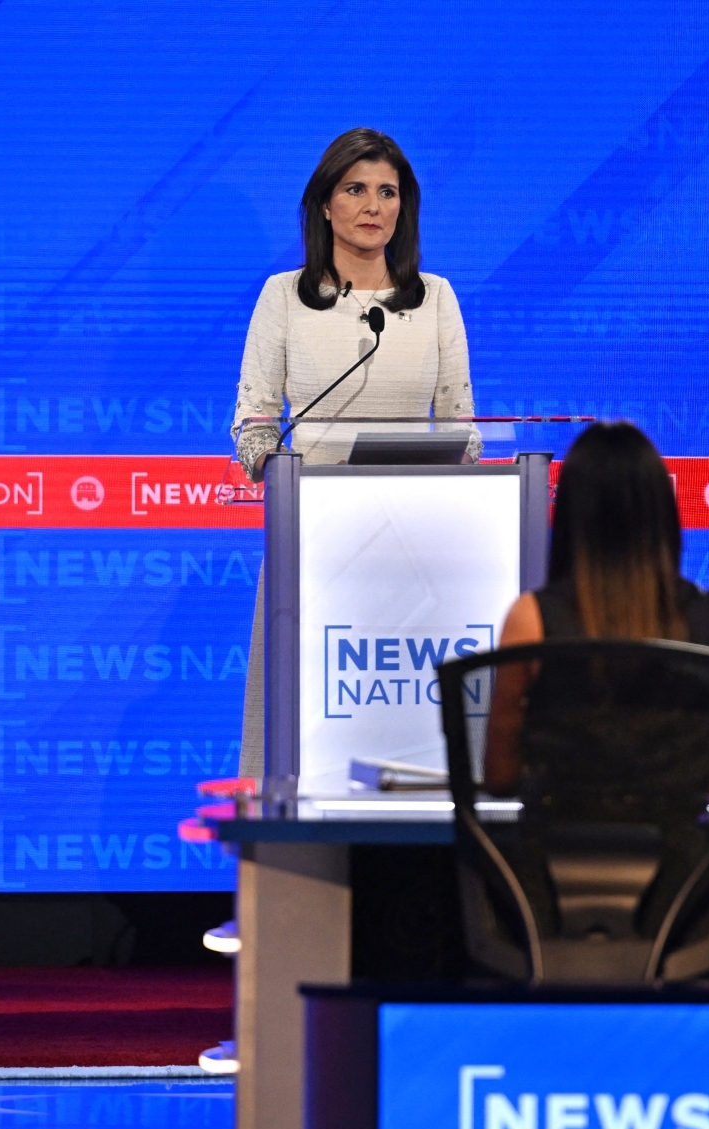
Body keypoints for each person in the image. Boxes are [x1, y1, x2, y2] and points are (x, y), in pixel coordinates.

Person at [234, 128, 475, 780]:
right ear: (325, 205)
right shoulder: (284, 297)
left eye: (388, 191)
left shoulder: (435, 299)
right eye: (356, 189)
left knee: (405, 730)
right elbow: (255, 428)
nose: (373, 205)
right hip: (313, 542)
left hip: (415, 550)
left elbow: (463, 431)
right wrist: (285, 475)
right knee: (303, 726)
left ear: (405, 207)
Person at [484, 421, 709, 793]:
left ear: (568, 514)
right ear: (663, 512)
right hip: (686, 851)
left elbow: (500, 776)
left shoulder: (530, 620)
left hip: (557, 849)